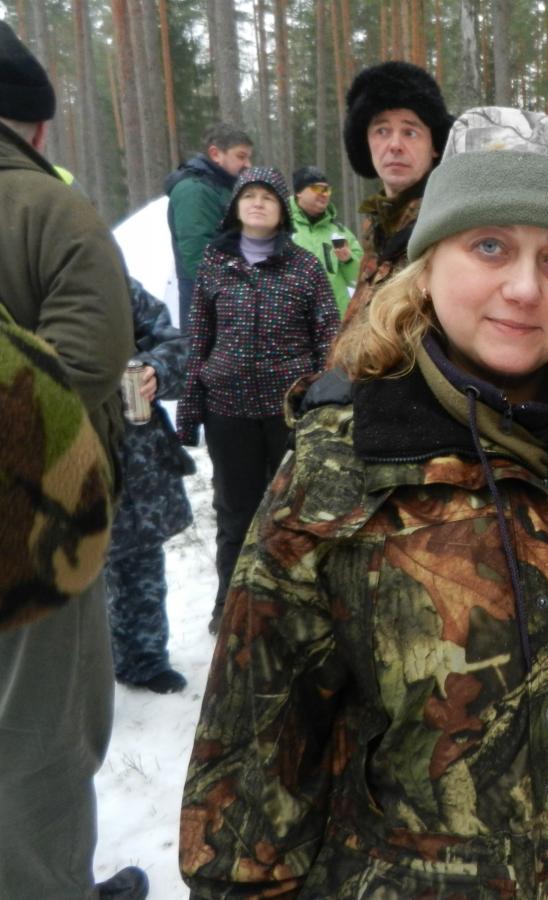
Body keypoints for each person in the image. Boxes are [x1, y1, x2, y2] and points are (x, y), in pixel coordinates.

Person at [179, 108, 548, 898]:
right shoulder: (343, 464)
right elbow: (250, 766)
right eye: (489, 245)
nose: (524, 288)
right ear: (427, 264)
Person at [0, 21, 149, 900]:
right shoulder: (50, 208)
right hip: (34, 521)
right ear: (40, 126)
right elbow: (90, 355)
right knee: (40, 733)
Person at [176, 166, 339, 635]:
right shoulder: (215, 262)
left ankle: (292, 606)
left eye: (268, 196)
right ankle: (230, 605)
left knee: (293, 511)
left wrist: (323, 401)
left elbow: (329, 335)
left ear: (282, 210)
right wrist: (189, 410)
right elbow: (199, 338)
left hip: (289, 411)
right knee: (234, 512)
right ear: (235, 207)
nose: (258, 202)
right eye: (249, 195)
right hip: (228, 411)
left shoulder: (304, 266)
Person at [105, 278, 195, 694]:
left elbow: (175, 343)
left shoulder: (110, 282)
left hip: (131, 451)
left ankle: (142, 659)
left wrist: (155, 370)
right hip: (52, 452)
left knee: (137, 557)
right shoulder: (17, 290)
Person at [337, 60, 453, 331]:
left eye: (410, 132)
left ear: (435, 146)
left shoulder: (446, 224)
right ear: (366, 142)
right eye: (382, 131)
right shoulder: (377, 224)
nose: (395, 145)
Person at [164, 122, 254, 332]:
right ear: (215, 154)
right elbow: (198, 255)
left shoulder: (220, 188)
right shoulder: (194, 191)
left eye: (249, 157)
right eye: (241, 156)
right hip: (208, 305)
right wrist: (230, 298)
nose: (248, 164)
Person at [288, 164, 364, 313]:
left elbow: (360, 280)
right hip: (294, 317)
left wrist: (348, 260)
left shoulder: (340, 232)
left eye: (327, 189)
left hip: (334, 319)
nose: (324, 194)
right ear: (299, 192)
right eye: (317, 188)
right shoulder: (281, 228)